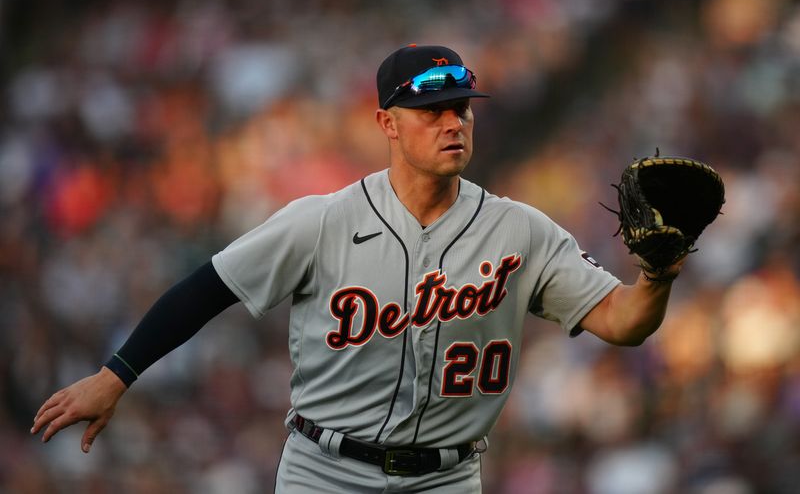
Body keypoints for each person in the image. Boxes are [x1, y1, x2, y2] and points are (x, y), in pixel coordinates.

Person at [31, 44, 684, 493]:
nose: (454, 121)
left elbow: (622, 321)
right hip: (326, 470)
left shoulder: (520, 229)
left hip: (447, 477)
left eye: (463, 108)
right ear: (387, 123)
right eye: (433, 111)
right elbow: (206, 290)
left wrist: (657, 277)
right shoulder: (321, 221)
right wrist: (116, 376)